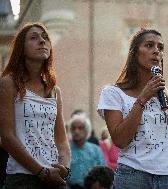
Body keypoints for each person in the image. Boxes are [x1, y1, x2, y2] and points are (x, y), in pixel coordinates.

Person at [97, 29, 168, 189]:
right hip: (134, 176)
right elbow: (120, 140)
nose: (156, 51)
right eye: (149, 45)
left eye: (160, 47)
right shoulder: (113, 93)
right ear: (134, 53)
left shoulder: (163, 93)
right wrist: (142, 99)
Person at [0, 22, 71, 189]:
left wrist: (64, 168)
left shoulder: (54, 90)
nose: (42, 41)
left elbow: (61, 140)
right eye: (34, 38)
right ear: (21, 49)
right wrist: (41, 172)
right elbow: (7, 138)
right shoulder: (8, 84)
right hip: (22, 178)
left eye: (45, 38)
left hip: (54, 178)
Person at [67, 114, 105, 189]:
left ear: (87, 130)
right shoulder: (66, 150)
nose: (76, 131)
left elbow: (103, 172)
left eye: (80, 128)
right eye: (74, 128)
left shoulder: (96, 150)